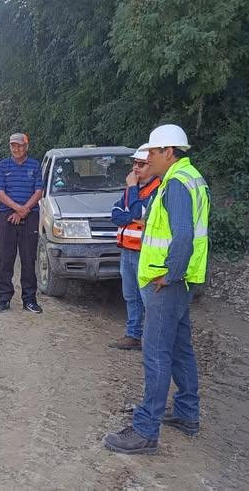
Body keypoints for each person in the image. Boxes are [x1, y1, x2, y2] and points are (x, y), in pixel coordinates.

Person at [104, 124, 210, 454]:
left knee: (155, 353)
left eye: (152, 151)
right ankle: (187, 413)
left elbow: (182, 236)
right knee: (179, 348)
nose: (148, 157)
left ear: (169, 151)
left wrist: (169, 275)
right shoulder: (191, 177)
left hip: (168, 284)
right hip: (183, 282)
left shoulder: (176, 183)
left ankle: (145, 431)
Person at [108, 145, 160, 350]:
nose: (135, 168)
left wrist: (132, 194)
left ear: (152, 165)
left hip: (145, 252)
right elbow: (115, 214)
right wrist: (133, 214)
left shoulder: (157, 189)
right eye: (134, 163)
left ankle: (152, 340)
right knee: (131, 296)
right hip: (127, 250)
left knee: (148, 298)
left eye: (141, 164)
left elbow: (139, 213)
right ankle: (133, 335)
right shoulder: (134, 189)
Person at [0, 133, 44, 313]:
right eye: (13, 145)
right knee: (5, 259)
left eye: (20, 145)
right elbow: (0, 193)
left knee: (29, 259)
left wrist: (23, 211)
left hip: (30, 216)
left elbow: (39, 191)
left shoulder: (35, 165)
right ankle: (3, 299)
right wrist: (17, 209)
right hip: (7, 216)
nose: (16, 149)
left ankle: (29, 300)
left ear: (26, 146)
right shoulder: (3, 165)